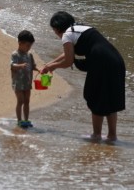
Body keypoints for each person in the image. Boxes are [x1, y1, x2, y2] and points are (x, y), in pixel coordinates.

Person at [41, 11, 125, 143]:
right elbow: (67, 54)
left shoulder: (67, 35)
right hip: (116, 60)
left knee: (94, 96)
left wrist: (53, 67)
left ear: (56, 29)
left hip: (101, 63)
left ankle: (96, 135)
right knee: (109, 98)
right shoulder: (79, 29)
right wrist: (50, 63)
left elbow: (68, 61)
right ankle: (112, 136)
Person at [10, 30, 40, 129]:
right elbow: (12, 65)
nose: (29, 48)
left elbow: (33, 66)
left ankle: (26, 120)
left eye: (30, 46)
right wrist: (20, 65)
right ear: (20, 43)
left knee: (27, 101)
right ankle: (19, 120)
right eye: (27, 45)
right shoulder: (15, 54)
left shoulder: (29, 55)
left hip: (27, 82)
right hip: (18, 83)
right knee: (20, 101)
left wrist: (39, 70)